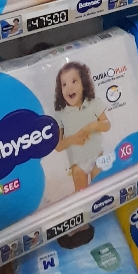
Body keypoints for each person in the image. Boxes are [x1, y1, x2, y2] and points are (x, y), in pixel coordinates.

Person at [53, 60, 111, 191]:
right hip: (77, 163)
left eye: (74, 81)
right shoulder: (60, 114)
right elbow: (58, 146)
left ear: (83, 84)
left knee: (101, 190)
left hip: (97, 156)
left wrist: (93, 126)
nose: (69, 88)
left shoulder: (93, 103)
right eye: (64, 84)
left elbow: (107, 125)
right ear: (60, 90)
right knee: (81, 193)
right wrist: (73, 139)